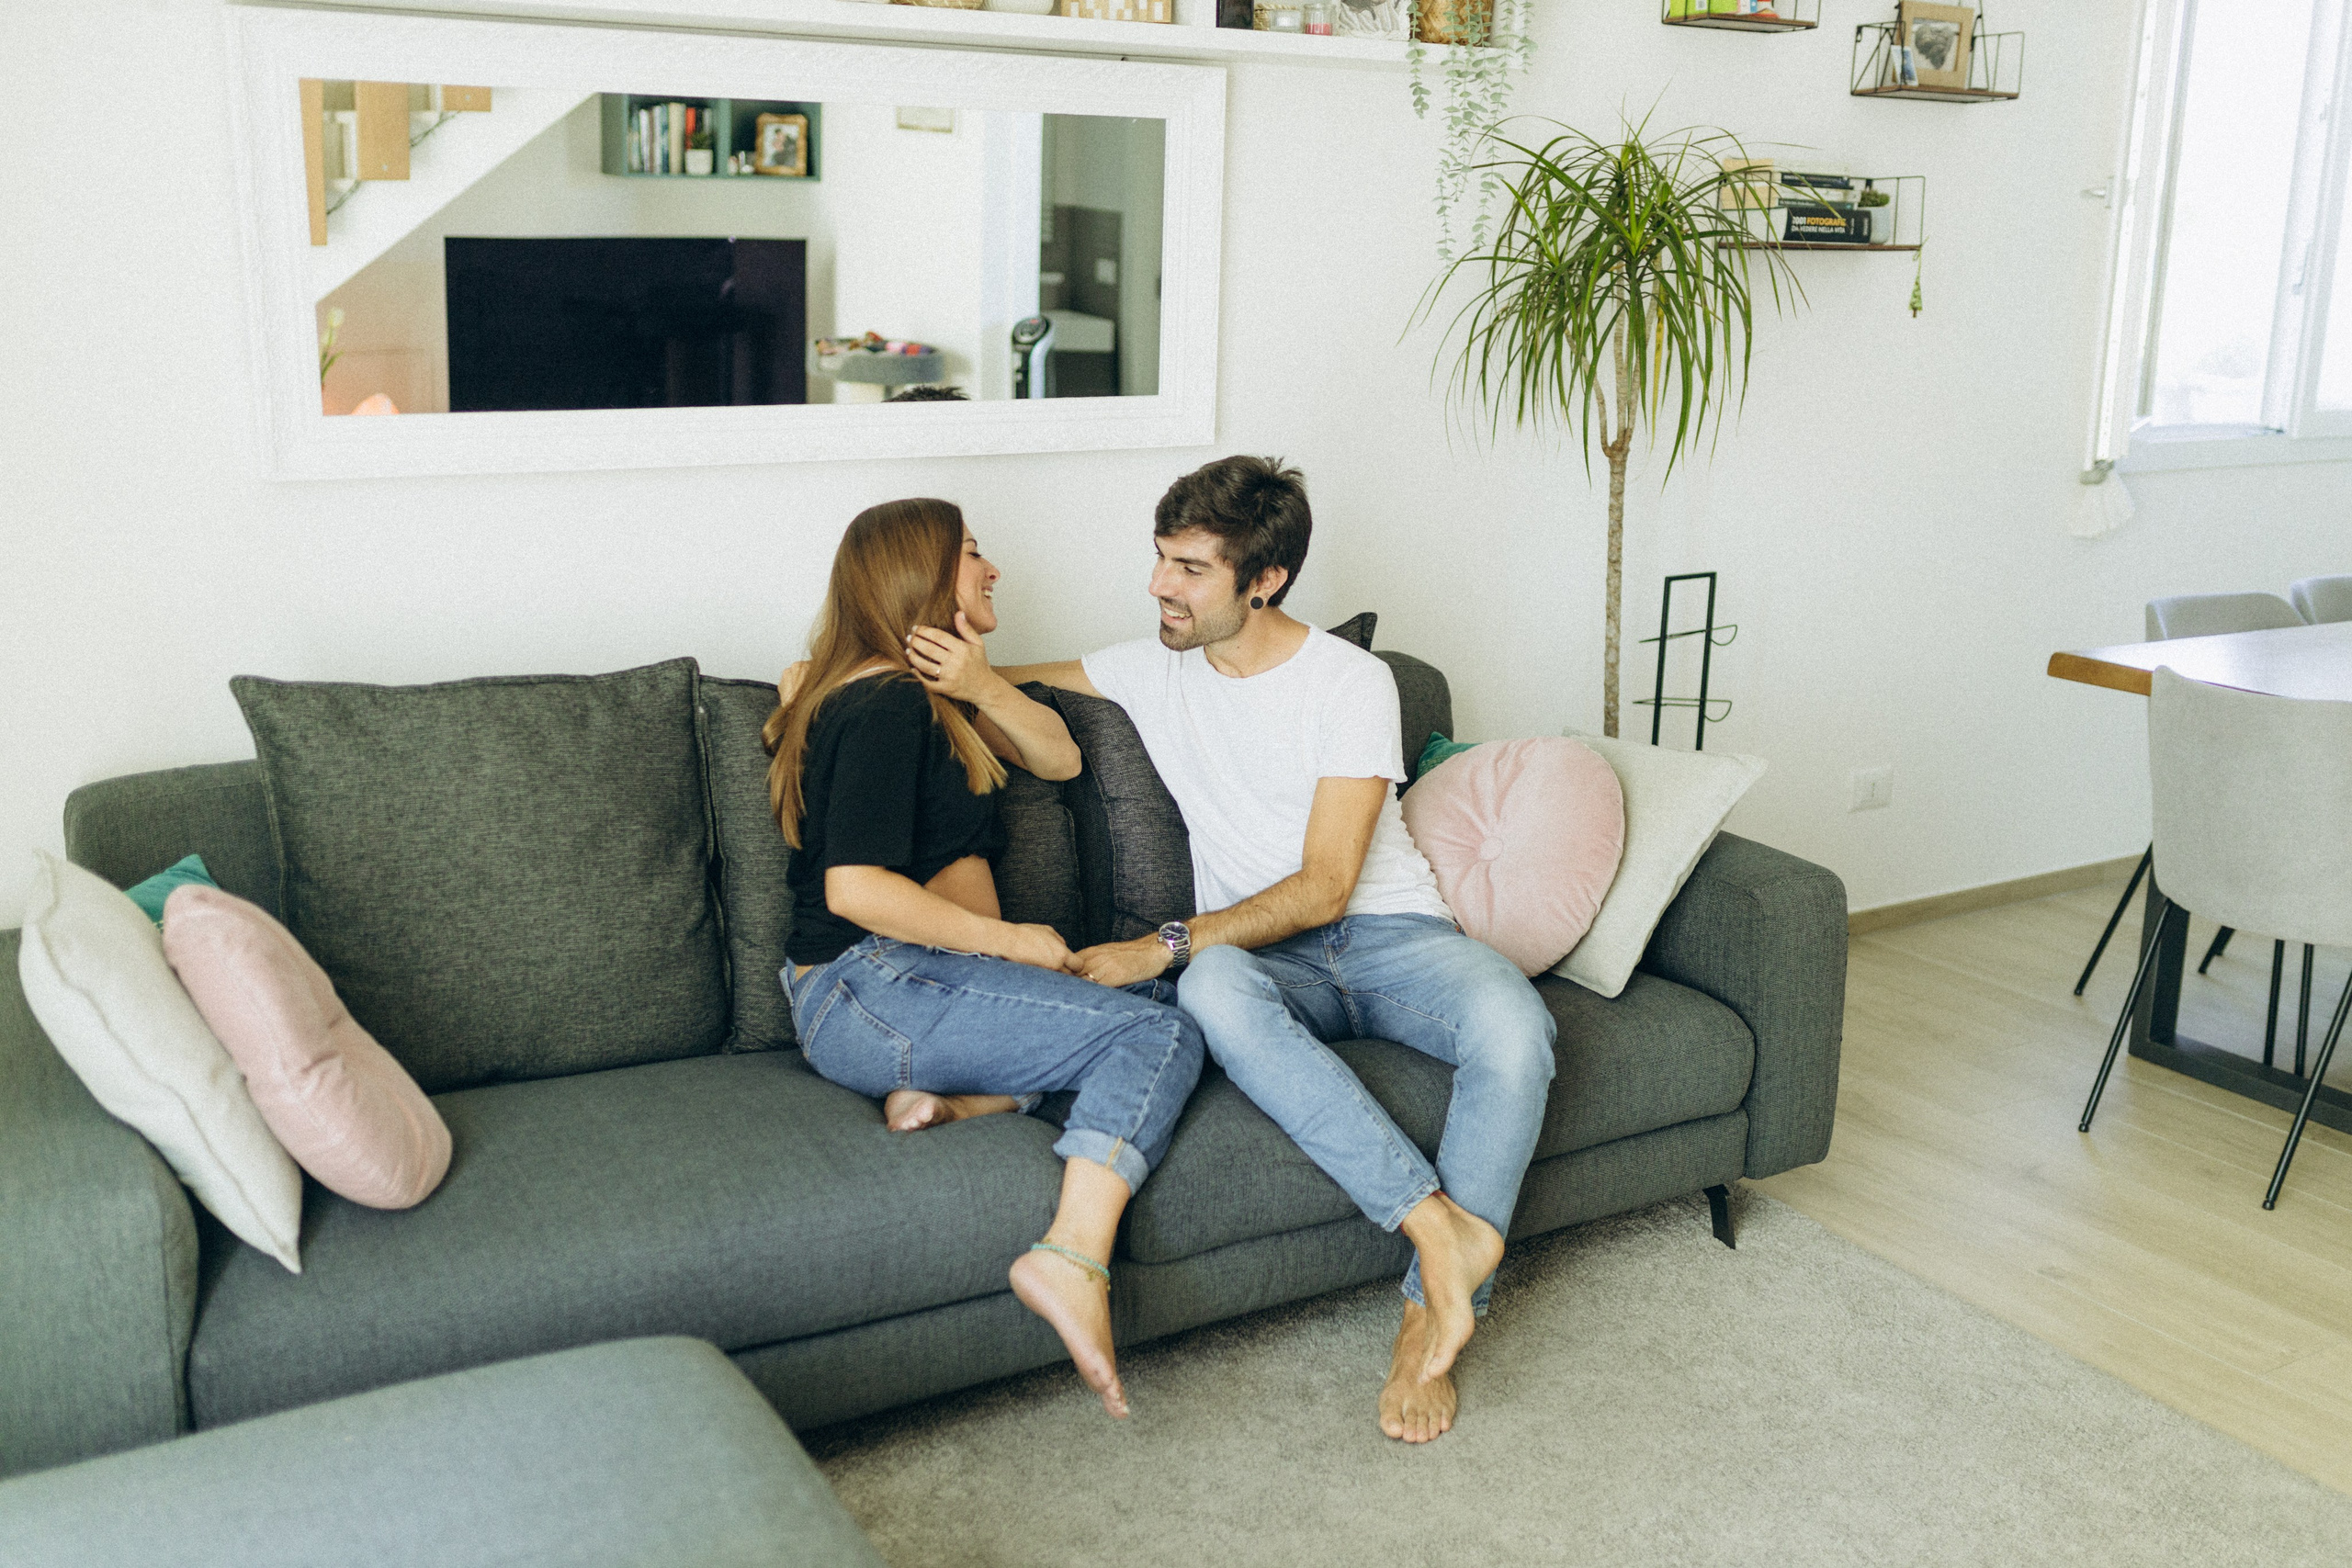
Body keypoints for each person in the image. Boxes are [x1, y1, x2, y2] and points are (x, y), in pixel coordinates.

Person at [1000, 456, 1556, 1446]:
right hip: (1265, 964)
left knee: (1518, 1027)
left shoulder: (1350, 682)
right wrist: (906, 670)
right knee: (1213, 989)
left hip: (1387, 935)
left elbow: (1326, 887)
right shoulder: (1146, 666)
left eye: (1190, 570)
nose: (1160, 587)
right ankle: (1439, 1234)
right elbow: (1007, 686)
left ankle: (1421, 1319)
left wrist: (1157, 944)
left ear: (1266, 581)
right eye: (1160, 559)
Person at [765, 497, 1206, 1420]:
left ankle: (949, 1099)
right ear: (919, 578)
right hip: (872, 983)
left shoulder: (918, 695)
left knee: (1127, 993)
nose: (993, 569)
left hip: (893, 994)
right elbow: (854, 889)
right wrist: (1015, 943)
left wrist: (976, 681)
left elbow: (1060, 761)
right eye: (971, 555)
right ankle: (1070, 1258)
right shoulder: (884, 702)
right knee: (1158, 1037)